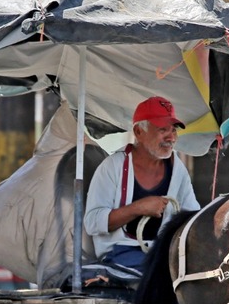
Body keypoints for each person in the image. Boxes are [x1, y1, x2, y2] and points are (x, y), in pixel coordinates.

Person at [84, 96, 201, 275]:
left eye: (174, 130)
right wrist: (138, 208)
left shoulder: (178, 170)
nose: (171, 137)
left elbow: (191, 217)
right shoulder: (112, 167)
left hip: (162, 254)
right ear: (139, 132)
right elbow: (92, 222)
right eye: (163, 129)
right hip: (119, 254)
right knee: (161, 278)